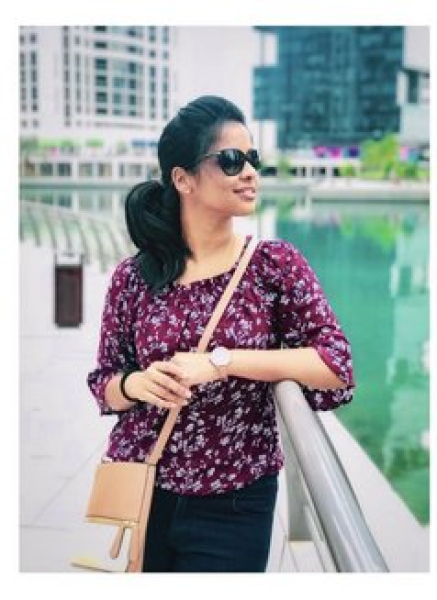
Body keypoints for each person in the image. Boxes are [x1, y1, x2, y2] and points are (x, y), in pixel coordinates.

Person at [87, 95, 355, 573]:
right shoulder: (135, 277)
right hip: (148, 488)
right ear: (183, 179)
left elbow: (335, 365)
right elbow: (103, 382)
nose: (249, 172)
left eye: (253, 158)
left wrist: (221, 362)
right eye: (231, 160)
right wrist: (136, 384)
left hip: (236, 502)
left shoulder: (274, 265)